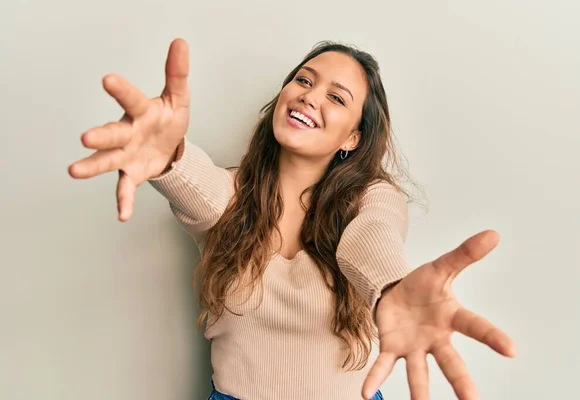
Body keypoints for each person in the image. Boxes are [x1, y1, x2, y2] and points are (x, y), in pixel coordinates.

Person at [68, 38, 516, 400]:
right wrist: (170, 158)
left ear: (353, 137)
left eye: (336, 97)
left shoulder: (373, 198)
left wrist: (394, 289)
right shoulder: (230, 191)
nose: (309, 95)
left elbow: (371, 239)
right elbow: (198, 186)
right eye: (304, 79)